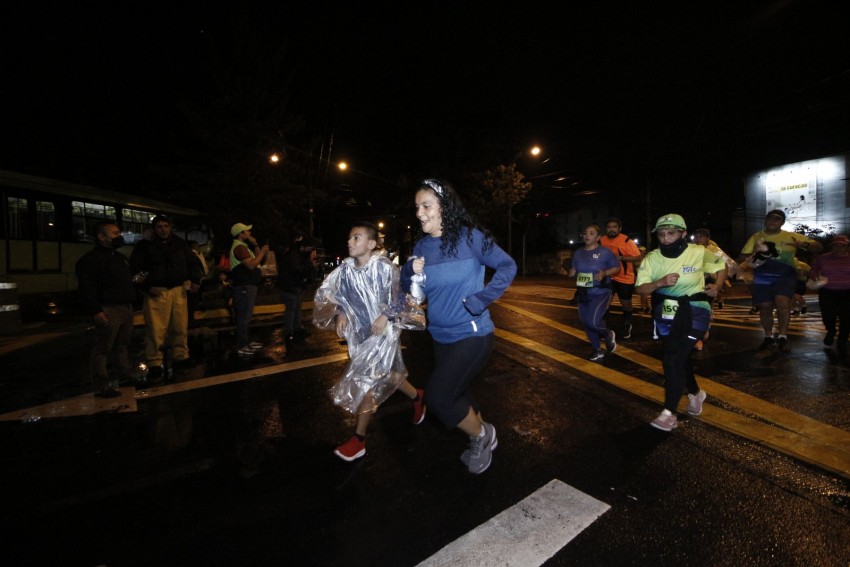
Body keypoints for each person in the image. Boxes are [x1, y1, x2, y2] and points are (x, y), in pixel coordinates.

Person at [400, 178, 517, 474]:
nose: (419, 213)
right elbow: (411, 288)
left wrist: (482, 298)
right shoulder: (422, 246)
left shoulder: (470, 238)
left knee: (438, 397)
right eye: (417, 207)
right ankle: (483, 433)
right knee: (458, 392)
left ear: (444, 207)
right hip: (440, 336)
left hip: (473, 333)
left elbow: (508, 265)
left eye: (426, 206)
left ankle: (481, 435)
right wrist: (407, 271)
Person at [313, 221, 426, 461]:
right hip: (359, 334)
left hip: (383, 333)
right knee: (387, 376)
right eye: (350, 237)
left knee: (365, 380)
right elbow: (340, 296)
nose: (350, 241)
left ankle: (359, 440)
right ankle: (418, 396)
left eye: (356, 237)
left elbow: (401, 295)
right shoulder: (345, 270)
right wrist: (341, 313)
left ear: (372, 244)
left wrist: (386, 315)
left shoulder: (383, 267)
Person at [635, 213, 726, 432]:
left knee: (672, 357)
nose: (666, 238)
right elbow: (640, 288)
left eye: (671, 233)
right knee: (678, 356)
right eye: (661, 234)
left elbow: (721, 266)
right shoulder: (652, 258)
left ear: (683, 233)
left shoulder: (698, 252)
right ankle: (695, 393)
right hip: (665, 311)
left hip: (695, 309)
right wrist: (659, 283)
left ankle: (669, 414)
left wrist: (717, 285)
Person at [129, 214, 203, 382]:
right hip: (157, 292)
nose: (163, 230)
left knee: (180, 326)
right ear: (154, 229)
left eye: (166, 226)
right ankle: (154, 362)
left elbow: (193, 262)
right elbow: (135, 270)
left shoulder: (179, 244)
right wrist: (147, 287)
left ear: (170, 227)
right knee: (156, 330)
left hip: (178, 290)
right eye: (159, 227)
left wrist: (195, 280)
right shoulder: (145, 246)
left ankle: (181, 356)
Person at [737, 209, 822, 352]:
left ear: (782, 222)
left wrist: (804, 245)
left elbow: (818, 247)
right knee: (765, 306)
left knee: (783, 303)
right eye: (770, 218)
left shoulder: (791, 236)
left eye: (777, 219)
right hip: (763, 274)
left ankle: (783, 335)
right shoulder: (757, 236)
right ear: (765, 220)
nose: (773, 221)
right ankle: (768, 336)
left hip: (785, 274)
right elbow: (742, 256)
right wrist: (753, 253)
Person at [75, 222, 138, 397]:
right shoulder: (90, 260)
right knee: (103, 347)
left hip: (125, 306)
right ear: (102, 237)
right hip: (108, 308)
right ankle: (101, 384)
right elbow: (86, 288)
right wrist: (96, 310)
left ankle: (124, 376)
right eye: (115, 233)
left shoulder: (120, 258)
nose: (120, 236)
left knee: (122, 345)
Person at [567, 223, 621, 361]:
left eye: (591, 233)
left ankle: (608, 335)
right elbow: (573, 270)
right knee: (586, 323)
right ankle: (597, 350)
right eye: (585, 233)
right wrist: (571, 271)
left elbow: (617, 267)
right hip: (583, 292)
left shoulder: (605, 252)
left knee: (593, 322)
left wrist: (605, 273)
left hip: (601, 291)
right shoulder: (578, 253)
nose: (587, 236)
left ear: (598, 237)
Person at [229, 222, 269, 356]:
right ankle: (242, 345)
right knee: (243, 316)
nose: (249, 232)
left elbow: (259, 260)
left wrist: (256, 245)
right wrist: (262, 252)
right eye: (247, 231)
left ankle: (246, 341)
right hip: (243, 286)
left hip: (248, 285)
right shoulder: (239, 248)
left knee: (246, 315)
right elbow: (252, 265)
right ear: (241, 234)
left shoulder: (244, 246)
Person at [599, 217, 642, 340]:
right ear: (606, 229)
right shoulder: (601, 240)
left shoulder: (627, 241)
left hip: (625, 278)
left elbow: (638, 257)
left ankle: (627, 325)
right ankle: (605, 329)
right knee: (604, 304)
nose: (611, 229)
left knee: (626, 305)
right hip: (608, 277)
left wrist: (620, 258)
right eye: (609, 227)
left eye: (614, 227)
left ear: (619, 228)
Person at [808, 234, 850, 351]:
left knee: (846, 317)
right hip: (827, 291)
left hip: (847, 292)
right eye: (835, 245)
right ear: (831, 247)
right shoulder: (823, 258)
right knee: (828, 316)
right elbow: (813, 270)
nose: (838, 248)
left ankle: (843, 338)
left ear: (847, 247)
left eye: (841, 246)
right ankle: (831, 330)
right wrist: (813, 274)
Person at [277, 231, 313, 344]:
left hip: (294, 285)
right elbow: (297, 268)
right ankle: (290, 333)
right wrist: (310, 264)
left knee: (296, 309)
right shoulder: (293, 252)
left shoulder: (293, 251)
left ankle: (296, 330)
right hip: (290, 286)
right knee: (291, 310)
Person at [186, 240, 209, 328]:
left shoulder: (197, 255)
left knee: (192, 303)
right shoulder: (192, 256)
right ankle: (190, 321)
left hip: (193, 283)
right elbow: (197, 269)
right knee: (191, 303)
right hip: (192, 284)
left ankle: (190, 320)